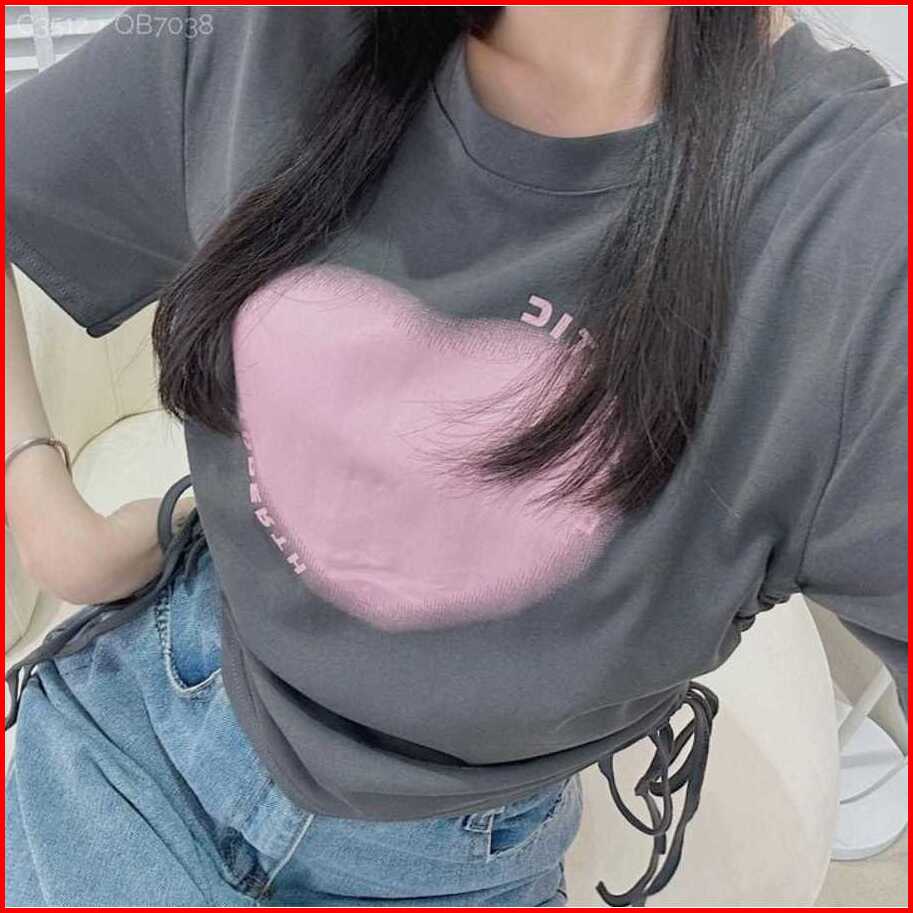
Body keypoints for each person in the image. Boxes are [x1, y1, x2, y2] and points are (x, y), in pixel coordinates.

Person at [4, 5, 907, 907]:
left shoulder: (855, 232)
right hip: (131, 735)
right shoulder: (259, 31)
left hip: (453, 860)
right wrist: (48, 517)